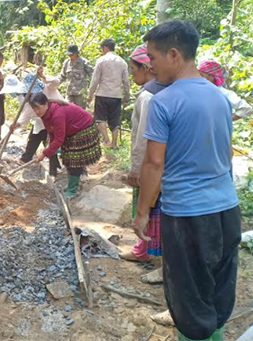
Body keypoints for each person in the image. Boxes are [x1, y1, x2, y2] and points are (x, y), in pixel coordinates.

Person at [134, 20, 240, 341]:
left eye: (153, 57)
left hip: (187, 215)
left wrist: (141, 213)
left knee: (188, 295)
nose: (150, 65)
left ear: (174, 55)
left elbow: (154, 163)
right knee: (219, 289)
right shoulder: (220, 98)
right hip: (227, 210)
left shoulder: (164, 101)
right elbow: (226, 152)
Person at [120, 45, 163, 283]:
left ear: (146, 68)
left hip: (151, 162)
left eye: (132, 69)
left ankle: (146, 250)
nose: (131, 74)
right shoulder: (159, 91)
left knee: (149, 205)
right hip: (158, 162)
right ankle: (144, 248)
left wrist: (136, 168)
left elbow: (143, 137)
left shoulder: (148, 96)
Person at [30, 92, 102, 198]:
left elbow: (59, 139)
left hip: (83, 127)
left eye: (38, 108)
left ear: (45, 104)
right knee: (67, 156)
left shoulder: (57, 114)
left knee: (74, 158)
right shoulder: (45, 113)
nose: (36, 112)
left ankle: (73, 190)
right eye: (34, 109)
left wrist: (45, 153)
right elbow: (52, 133)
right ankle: (72, 185)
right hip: (72, 129)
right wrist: (48, 149)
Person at [10, 68, 63, 176]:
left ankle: (54, 171)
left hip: (57, 120)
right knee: (35, 138)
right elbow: (26, 114)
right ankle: (26, 159)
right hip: (42, 122)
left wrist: (43, 76)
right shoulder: (31, 99)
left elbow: (56, 81)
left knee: (51, 144)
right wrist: (16, 125)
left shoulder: (49, 88)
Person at [87, 39, 130, 148]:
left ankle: (106, 140)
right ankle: (114, 143)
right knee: (115, 119)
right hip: (116, 95)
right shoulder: (122, 62)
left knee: (100, 118)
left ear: (105, 48)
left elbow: (95, 80)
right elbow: (126, 82)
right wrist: (126, 97)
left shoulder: (101, 61)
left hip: (102, 93)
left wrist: (90, 95)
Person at [59, 44, 94, 109]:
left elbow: (93, 75)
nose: (70, 56)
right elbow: (62, 76)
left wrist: (91, 90)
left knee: (80, 112)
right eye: (69, 55)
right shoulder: (66, 63)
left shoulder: (84, 62)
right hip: (69, 93)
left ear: (76, 53)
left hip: (80, 94)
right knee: (67, 110)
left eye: (71, 55)